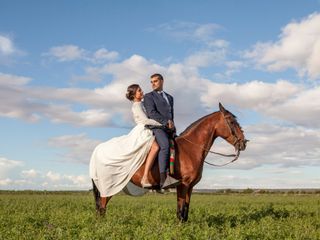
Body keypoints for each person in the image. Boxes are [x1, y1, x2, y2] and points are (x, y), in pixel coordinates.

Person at [89, 84, 162, 200]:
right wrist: (160, 124)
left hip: (148, 129)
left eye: (141, 90)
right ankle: (145, 177)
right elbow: (144, 120)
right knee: (155, 148)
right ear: (134, 95)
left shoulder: (142, 104)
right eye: (139, 91)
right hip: (143, 130)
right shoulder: (136, 106)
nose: (142, 92)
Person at [143, 73, 180, 189]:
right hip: (157, 127)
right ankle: (163, 179)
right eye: (151, 82)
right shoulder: (149, 96)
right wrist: (166, 122)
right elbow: (151, 113)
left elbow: (171, 115)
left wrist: (172, 127)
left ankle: (175, 173)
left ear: (162, 81)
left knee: (179, 145)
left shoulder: (170, 98)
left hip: (168, 129)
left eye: (155, 81)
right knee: (164, 146)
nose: (153, 84)